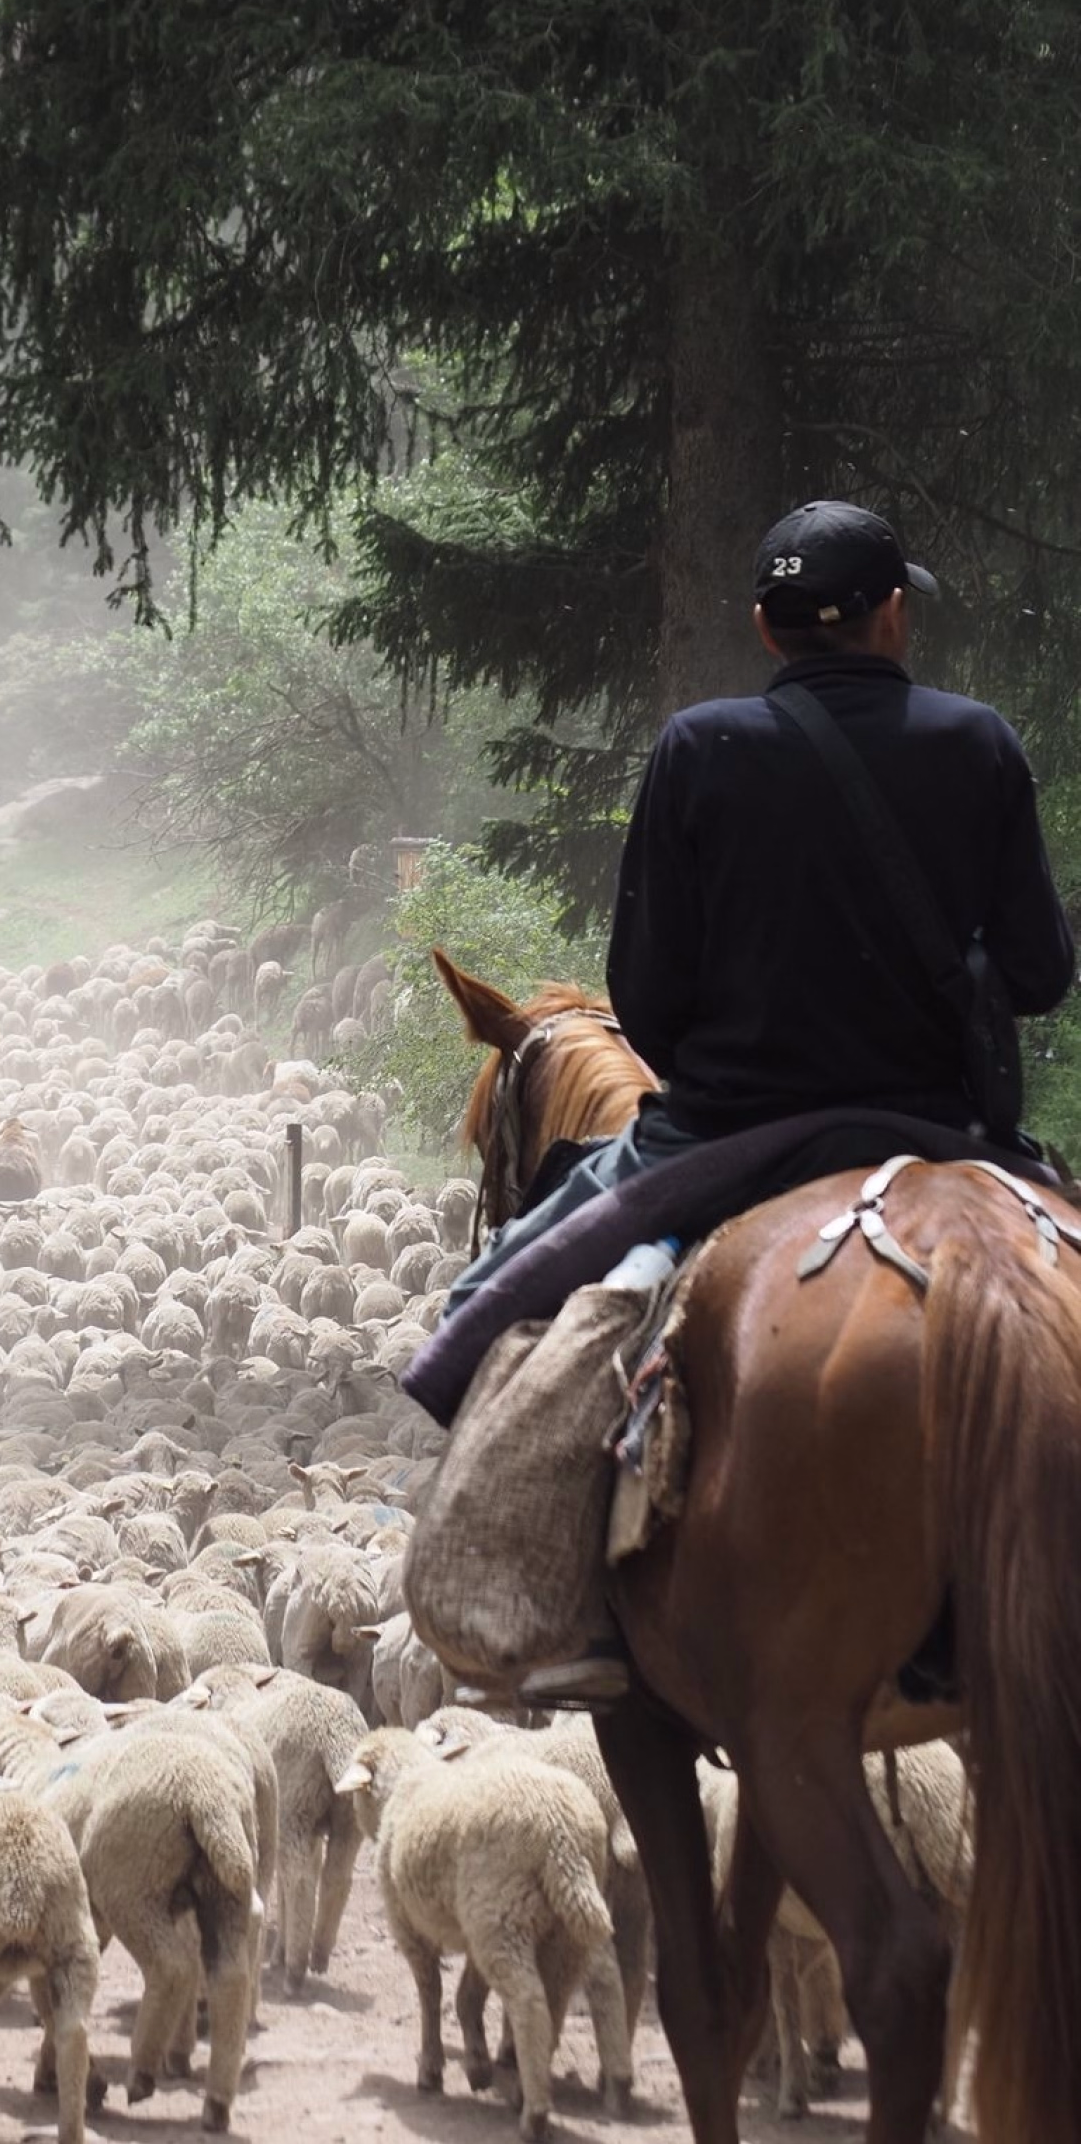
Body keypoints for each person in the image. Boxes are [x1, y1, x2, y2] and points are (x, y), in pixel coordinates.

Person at [439, 498, 1075, 1706]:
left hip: (725, 1134)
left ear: (765, 630)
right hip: (945, 1132)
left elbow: (646, 997)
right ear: (894, 616)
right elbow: (1041, 972)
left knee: (496, 1299)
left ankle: (575, 1616)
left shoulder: (698, 748)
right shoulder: (980, 742)